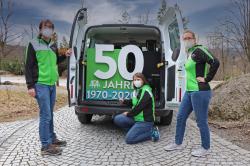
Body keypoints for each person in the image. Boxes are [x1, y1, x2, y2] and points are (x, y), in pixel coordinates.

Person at [164, 30, 220, 157]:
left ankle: (206, 148)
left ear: (194, 39)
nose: (187, 40)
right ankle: (178, 144)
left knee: (201, 121)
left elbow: (215, 62)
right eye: (184, 39)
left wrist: (207, 79)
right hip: (189, 92)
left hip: (200, 91)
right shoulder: (190, 53)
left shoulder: (200, 50)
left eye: (189, 38)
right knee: (180, 117)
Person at [25, 19, 72, 156]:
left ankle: (51, 138)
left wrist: (65, 55)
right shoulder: (33, 44)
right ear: (40, 29)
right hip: (40, 84)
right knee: (45, 115)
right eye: (46, 27)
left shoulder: (52, 45)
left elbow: (55, 61)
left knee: (49, 113)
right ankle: (45, 146)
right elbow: (28, 66)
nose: (48, 30)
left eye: (51, 28)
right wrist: (30, 86)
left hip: (51, 84)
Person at [114, 72, 157, 144]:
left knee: (129, 139)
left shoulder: (146, 91)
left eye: (138, 79)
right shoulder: (136, 90)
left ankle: (151, 133)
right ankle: (135, 130)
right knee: (117, 119)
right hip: (136, 118)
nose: (136, 81)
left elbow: (139, 107)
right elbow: (134, 102)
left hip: (145, 121)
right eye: (134, 80)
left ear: (143, 80)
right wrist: (124, 101)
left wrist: (128, 114)